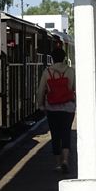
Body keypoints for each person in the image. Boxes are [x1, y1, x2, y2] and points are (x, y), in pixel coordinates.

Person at [37, 47, 76, 175]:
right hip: (68, 108)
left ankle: (58, 165)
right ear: (64, 58)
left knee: (55, 136)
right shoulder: (71, 71)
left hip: (52, 108)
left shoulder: (47, 72)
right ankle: (65, 160)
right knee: (66, 134)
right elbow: (76, 88)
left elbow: (41, 91)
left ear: (52, 58)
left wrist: (41, 106)